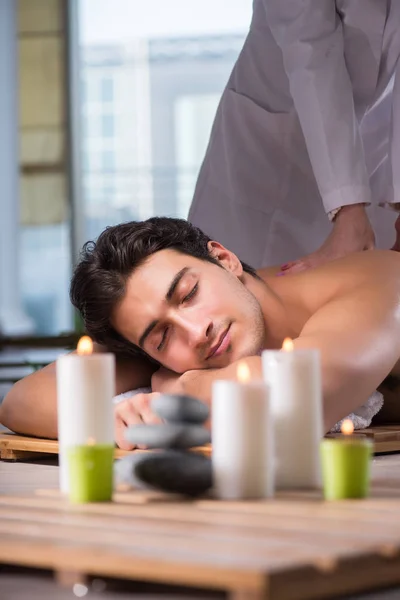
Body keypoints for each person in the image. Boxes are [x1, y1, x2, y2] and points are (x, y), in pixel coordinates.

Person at [1, 217, 400, 450]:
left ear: (224, 259)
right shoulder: (170, 344)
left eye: (189, 293)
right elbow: (21, 400)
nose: (195, 332)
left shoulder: (380, 280)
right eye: (160, 338)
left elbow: (296, 401)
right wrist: (111, 420)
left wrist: (180, 388)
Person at [188, 0, 400, 273]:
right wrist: (347, 208)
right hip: (275, 143)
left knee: (368, 292)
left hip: (376, 145)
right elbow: (310, 50)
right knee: (248, 284)